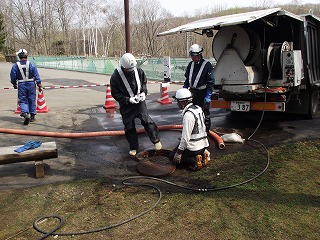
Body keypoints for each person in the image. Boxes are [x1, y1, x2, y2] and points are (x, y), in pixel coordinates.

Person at [110, 53, 162, 156]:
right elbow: (115, 93)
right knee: (129, 127)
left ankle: (156, 141)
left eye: (132, 69)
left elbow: (143, 83)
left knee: (147, 121)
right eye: (129, 69)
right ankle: (133, 147)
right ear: (123, 67)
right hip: (126, 106)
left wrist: (143, 92)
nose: (131, 71)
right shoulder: (115, 77)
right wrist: (128, 100)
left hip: (139, 103)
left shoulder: (139, 71)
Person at [170, 88, 210, 170]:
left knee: (171, 156)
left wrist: (178, 154)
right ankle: (203, 154)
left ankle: (194, 160)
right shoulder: (198, 108)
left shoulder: (188, 115)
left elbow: (185, 138)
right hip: (203, 145)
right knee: (177, 149)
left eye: (178, 101)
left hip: (194, 148)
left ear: (183, 102)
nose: (177, 104)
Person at [183, 43, 215, 132]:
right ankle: (193, 131)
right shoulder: (190, 65)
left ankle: (206, 132)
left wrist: (208, 96)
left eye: (194, 56)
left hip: (202, 93)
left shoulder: (207, 65)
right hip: (192, 92)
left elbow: (211, 82)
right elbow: (187, 79)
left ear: (200, 55)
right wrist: (184, 90)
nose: (192, 58)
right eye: (191, 56)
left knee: (204, 113)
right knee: (191, 112)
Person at [10, 49, 42, 125]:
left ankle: (25, 113)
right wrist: (39, 84)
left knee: (23, 100)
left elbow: (13, 76)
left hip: (21, 84)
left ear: (19, 56)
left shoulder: (15, 66)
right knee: (32, 99)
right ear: (26, 55)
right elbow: (36, 74)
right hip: (31, 84)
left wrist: (14, 84)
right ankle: (32, 116)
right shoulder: (31, 64)